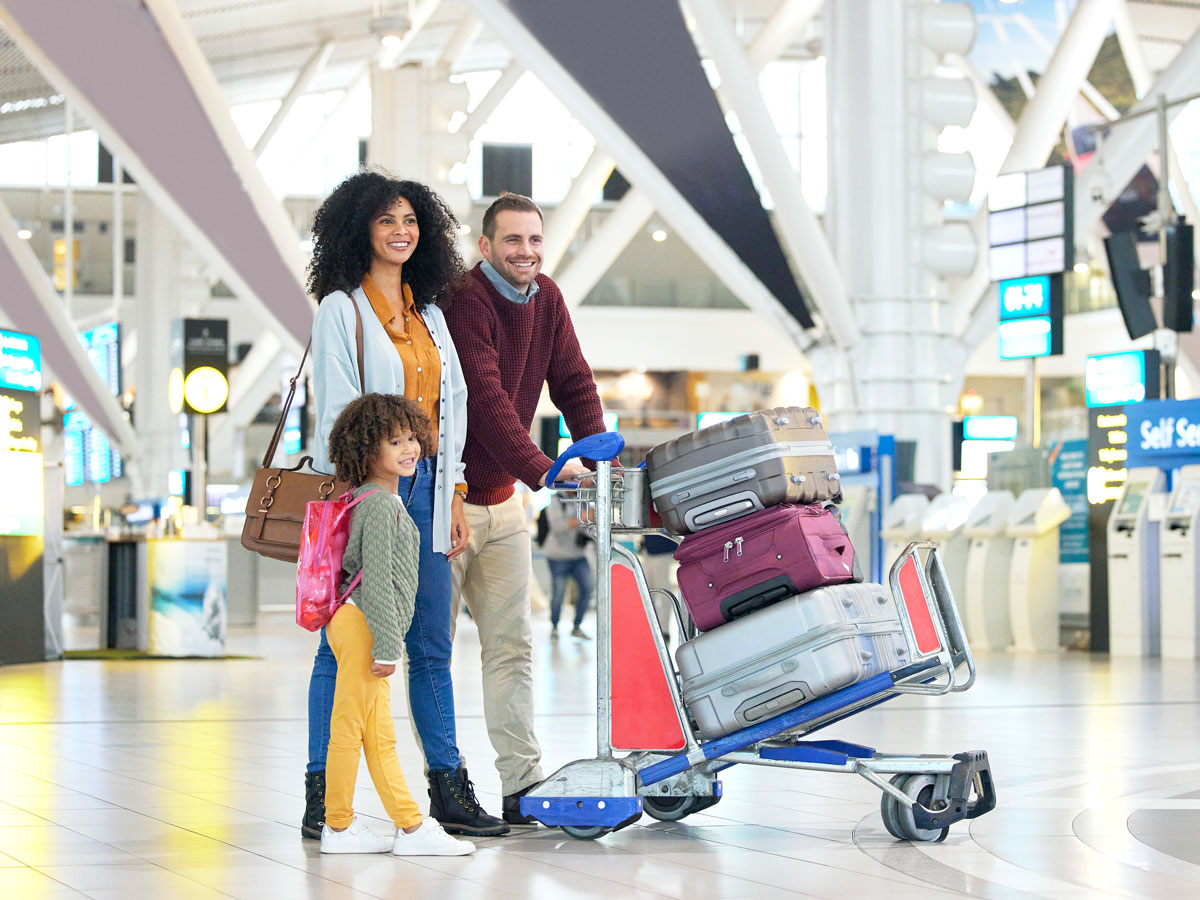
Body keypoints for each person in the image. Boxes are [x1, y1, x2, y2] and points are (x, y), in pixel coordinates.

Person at [304, 170, 507, 840]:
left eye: (410, 221)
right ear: (359, 228)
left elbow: (454, 407)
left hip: (425, 493)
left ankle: (448, 786)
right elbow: (337, 412)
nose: (400, 232)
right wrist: (371, 495)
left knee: (431, 643)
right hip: (366, 496)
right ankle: (319, 789)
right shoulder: (342, 309)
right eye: (387, 220)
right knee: (344, 646)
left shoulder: (432, 314)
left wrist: (448, 491)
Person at [444, 193, 607, 825]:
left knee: (512, 649)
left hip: (503, 506)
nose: (526, 252)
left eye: (535, 241)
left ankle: (521, 785)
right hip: (447, 501)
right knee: (426, 652)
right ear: (485, 247)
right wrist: (545, 469)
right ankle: (444, 785)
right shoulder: (467, 300)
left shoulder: (549, 299)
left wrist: (595, 453)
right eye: (513, 241)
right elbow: (485, 402)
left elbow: (573, 380)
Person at [320, 392, 473, 856]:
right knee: (350, 726)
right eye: (394, 441)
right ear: (368, 450)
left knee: (375, 732)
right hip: (366, 624)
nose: (409, 448)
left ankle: (405, 826)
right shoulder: (383, 507)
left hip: (358, 622)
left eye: (411, 437)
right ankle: (342, 826)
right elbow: (381, 583)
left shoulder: (367, 498)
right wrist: (388, 647)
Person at [542, 495, 592, 640]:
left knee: (587, 587)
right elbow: (557, 526)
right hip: (558, 556)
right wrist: (581, 519)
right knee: (558, 594)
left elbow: (587, 526)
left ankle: (577, 626)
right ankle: (555, 626)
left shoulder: (583, 499)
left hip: (578, 555)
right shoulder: (556, 500)